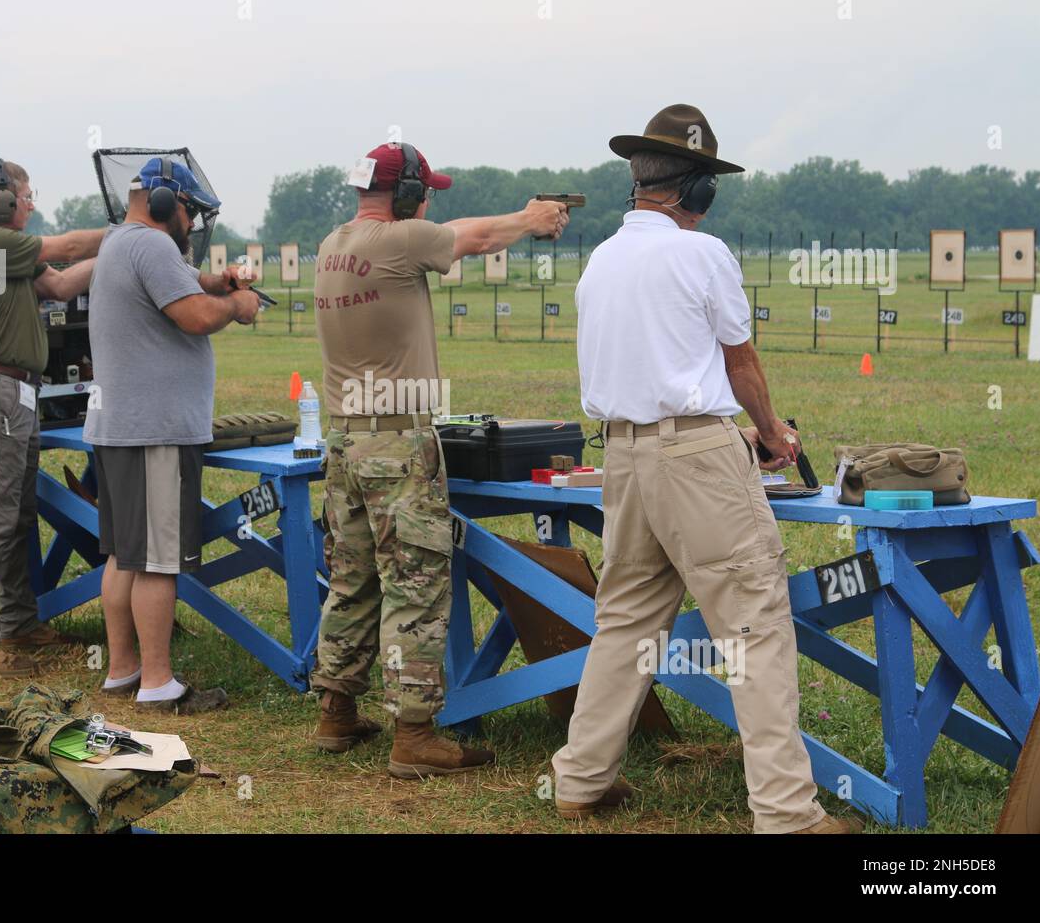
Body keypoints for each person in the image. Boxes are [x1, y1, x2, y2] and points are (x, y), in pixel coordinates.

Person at [551, 104, 854, 833]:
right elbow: (739, 359)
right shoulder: (703, 253)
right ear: (697, 191)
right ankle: (786, 813)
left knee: (625, 620)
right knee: (753, 624)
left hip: (622, 455)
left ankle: (581, 778)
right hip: (697, 453)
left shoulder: (602, 259)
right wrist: (774, 432)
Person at [310, 141, 569, 777]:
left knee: (352, 578)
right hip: (397, 442)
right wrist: (528, 220)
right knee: (416, 582)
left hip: (345, 440)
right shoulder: (397, 242)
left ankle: (336, 713)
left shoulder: (331, 244)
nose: (426, 203)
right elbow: (468, 236)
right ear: (404, 198)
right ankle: (415, 735)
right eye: (423, 192)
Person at [85, 157, 259, 712]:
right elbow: (195, 316)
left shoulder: (120, 241)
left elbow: (188, 285)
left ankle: (122, 670)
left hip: (120, 428)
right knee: (159, 559)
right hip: (154, 430)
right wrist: (237, 303)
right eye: (189, 211)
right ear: (167, 203)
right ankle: (158, 683)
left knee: (124, 557)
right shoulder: (154, 245)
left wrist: (217, 281)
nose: (192, 224)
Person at [0, 158, 104, 677]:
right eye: (25, 195)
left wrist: (118, 254)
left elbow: (61, 285)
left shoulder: (6, 252)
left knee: (16, 514)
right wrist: (132, 232)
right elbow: (68, 248)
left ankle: (17, 622)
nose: (31, 203)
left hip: (14, 389)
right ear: (1, 202)